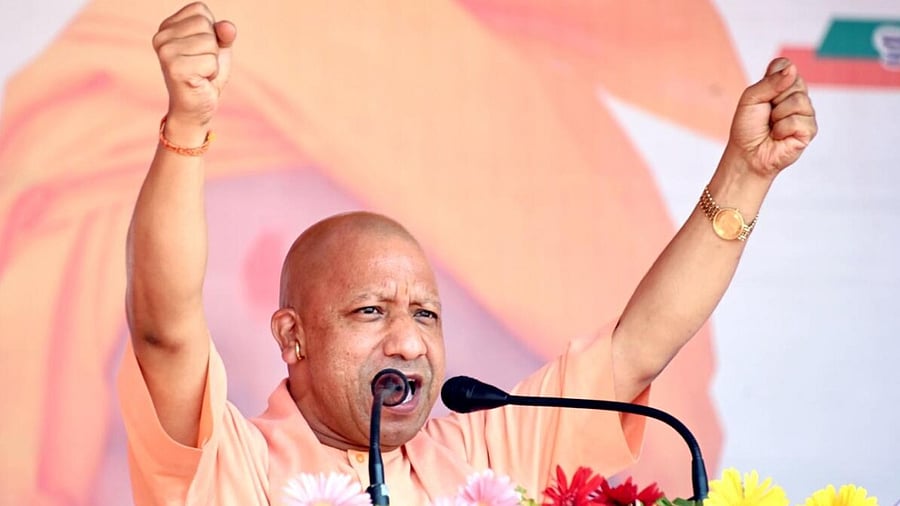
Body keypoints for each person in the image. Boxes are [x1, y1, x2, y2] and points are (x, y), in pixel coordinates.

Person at [118, 2, 817, 504]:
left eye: (427, 315)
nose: (411, 341)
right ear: (291, 337)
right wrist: (186, 126)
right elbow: (163, 329)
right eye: (371, 310)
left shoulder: (482, 458)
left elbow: (639, 346)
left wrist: (745, 176)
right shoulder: (227, 465)